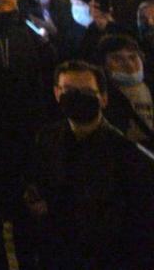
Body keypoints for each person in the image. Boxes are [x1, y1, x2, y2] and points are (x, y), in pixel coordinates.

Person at [22, 61, 154, 268]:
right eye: (69, 91)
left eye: (86, 91)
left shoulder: (127, 155)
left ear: (103, 98)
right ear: (57, 93)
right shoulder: (47, 139)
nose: (77, 98)